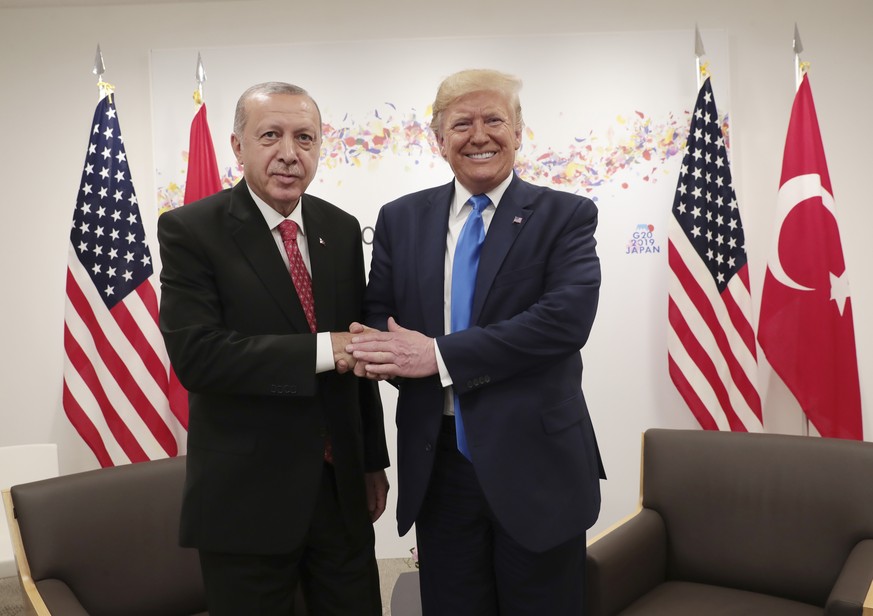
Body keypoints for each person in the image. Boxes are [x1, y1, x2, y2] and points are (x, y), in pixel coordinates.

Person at [346, 69, 605, 615]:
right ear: (439, 140)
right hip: (440, 466)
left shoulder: (565, 215)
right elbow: (380, 321)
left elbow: (563, 322)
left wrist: (437, 356)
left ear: (518, 131)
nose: (479, 134)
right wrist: (381, 356)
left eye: (494, 120)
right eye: (462, 123)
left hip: (537, 465)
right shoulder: (400, 219)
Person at [157, 81, 390, 616]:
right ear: (238, 146)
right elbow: (200, 357)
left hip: (340, 491)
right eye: (271, 135)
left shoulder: (341, 227)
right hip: (247, 500)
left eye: (304, 137)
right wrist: (324, 349)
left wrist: (371, 462)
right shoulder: (191, 231)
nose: (289, 152)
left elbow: (358, 356)